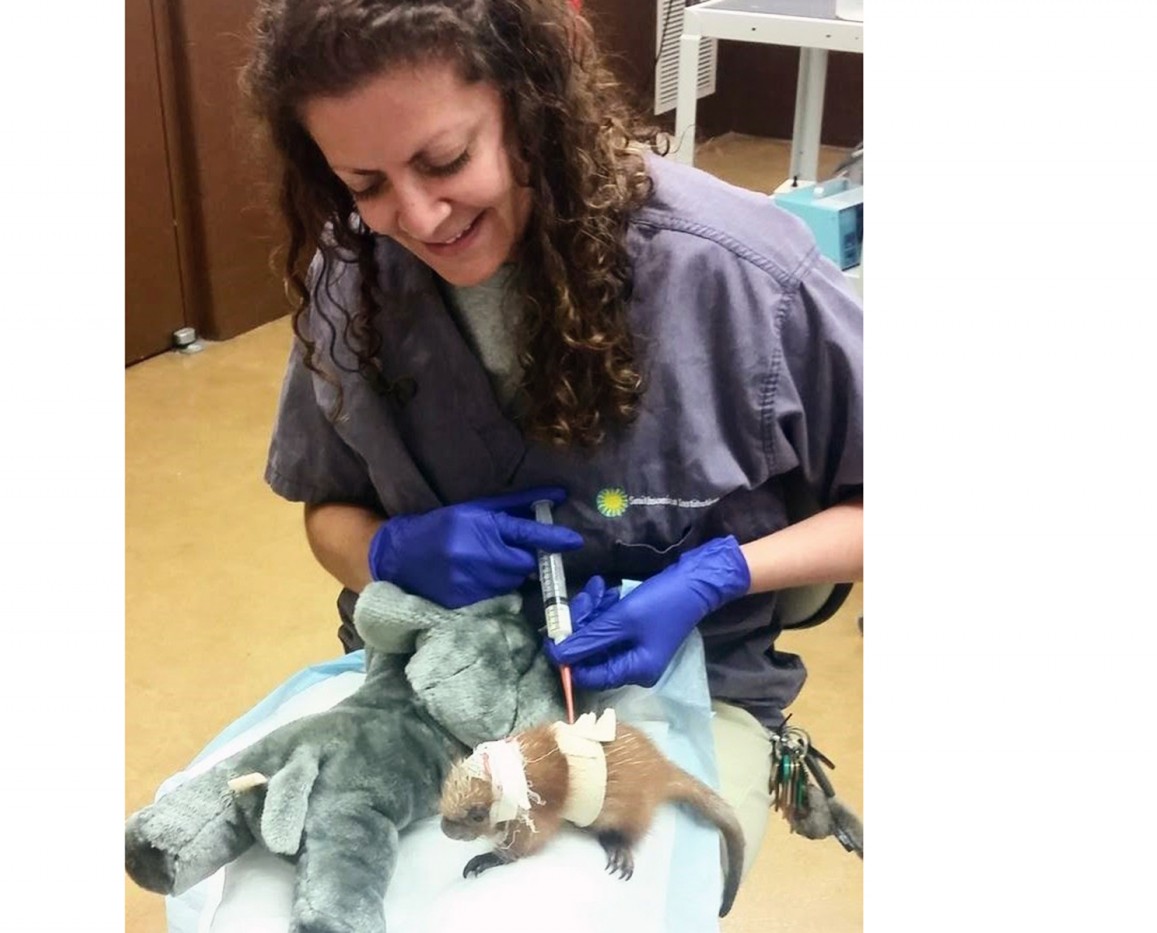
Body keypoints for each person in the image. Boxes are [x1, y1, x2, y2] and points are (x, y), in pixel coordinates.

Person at [243, 0, 862, 882]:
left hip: (676, 690)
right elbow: (327, 504)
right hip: (435, 685)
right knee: (274, 885)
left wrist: (718, 575)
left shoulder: (733, 273)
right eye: (366, 183)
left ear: (530, 105)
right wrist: (385, 553)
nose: (418, 216)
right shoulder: (354, 285)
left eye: (446, 160)